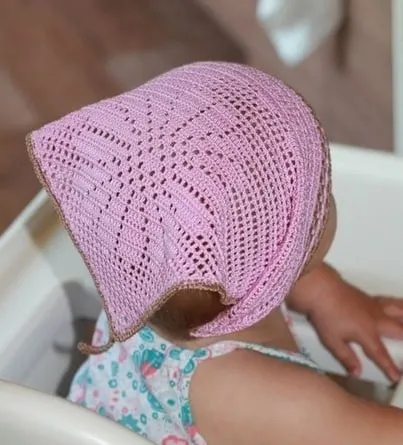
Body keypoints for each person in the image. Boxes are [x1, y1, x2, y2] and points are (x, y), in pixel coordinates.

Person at [27, 62, 403, 444]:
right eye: (321, 190)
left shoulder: (153, 273)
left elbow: (261, 261)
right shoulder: (274, 400)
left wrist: (324, 292)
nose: (328, 196)